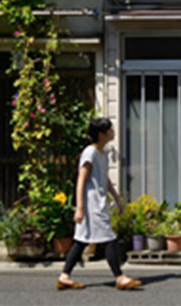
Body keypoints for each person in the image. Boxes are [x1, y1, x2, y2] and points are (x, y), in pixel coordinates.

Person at [56, 117, 141, 291]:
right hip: (91, 205)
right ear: (101, 134)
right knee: (109, 239)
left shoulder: (102, 153)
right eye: (110, 130)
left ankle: (65, 276)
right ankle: (120, 277)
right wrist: (79, 208)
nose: (113, 132)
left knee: (81, 241)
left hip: (98, 203)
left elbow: (105, 179)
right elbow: (81, 180)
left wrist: (117, 198)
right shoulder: (90, 153)